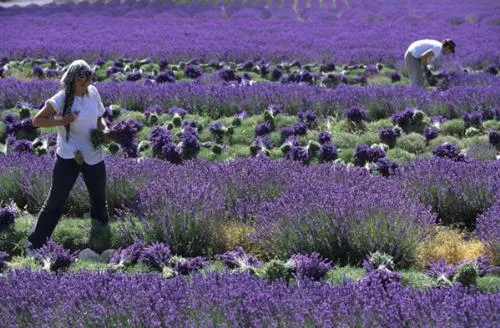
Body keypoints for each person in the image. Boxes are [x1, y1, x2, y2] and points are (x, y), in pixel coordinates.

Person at [25, 59, 111, 256]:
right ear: (72, 80)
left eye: (88, 82)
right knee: (55, 201)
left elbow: (99, 117)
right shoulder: (61, 98)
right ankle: (34, 244)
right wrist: (64, 120)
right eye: (82, 83)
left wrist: (104, 130)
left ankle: (101, 242)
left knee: (99, 201)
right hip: (68, 157)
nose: (86, 86)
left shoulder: (93, 92)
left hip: (93, 155)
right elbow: (37, 121)